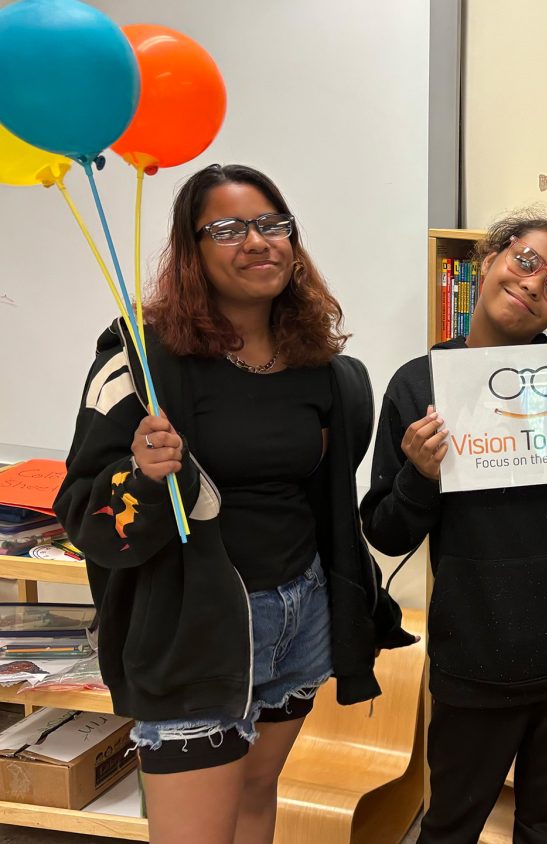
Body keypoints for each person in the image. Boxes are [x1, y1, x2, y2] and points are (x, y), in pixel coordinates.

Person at [54, 164, 414, 844]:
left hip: (299, 615)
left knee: (255, 793)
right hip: (195, 629)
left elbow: (325, 496)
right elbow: (86, 516)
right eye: (228, 228)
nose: (257, 241)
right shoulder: (140, 357)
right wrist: (144, 476)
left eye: (272, 224)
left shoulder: (327, 369)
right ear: (192, 250)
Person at [360, 210, 547, 843]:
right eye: (525, 261)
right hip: (478, 654)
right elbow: (386, 532)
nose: (532, 285)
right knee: (451, 826)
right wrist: (421, 475)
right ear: (490, 258)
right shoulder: (419, 386)